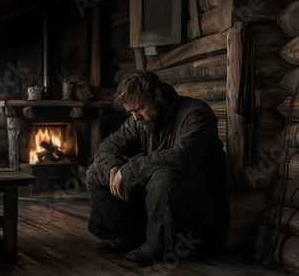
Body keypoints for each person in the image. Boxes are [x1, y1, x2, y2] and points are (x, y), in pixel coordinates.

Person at [86, 70, 226, 265]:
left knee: (163, 177)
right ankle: (127, 236)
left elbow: (182, 158)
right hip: (162, 208)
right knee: (96, 171)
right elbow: (107, 148)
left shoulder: (197, 113)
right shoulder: (140, 121)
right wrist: (113, 168)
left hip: (199, 216)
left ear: (157, 94)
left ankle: (159, 246)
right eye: (131, 112)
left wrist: (128, 170)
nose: (135, 117)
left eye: (140, 108)